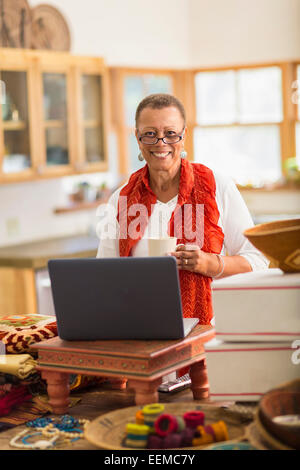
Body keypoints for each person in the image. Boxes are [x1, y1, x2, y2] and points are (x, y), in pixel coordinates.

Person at [97, 93, 268, 327]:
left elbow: (258, 260)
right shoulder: (122, 198)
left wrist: (209, 264)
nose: (161, 143)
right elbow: (104, 275)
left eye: (170, 134)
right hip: (142, 329)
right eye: (150, 134)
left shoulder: (216, 186)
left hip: (212, 333)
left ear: (183, 135)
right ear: (137, 138)